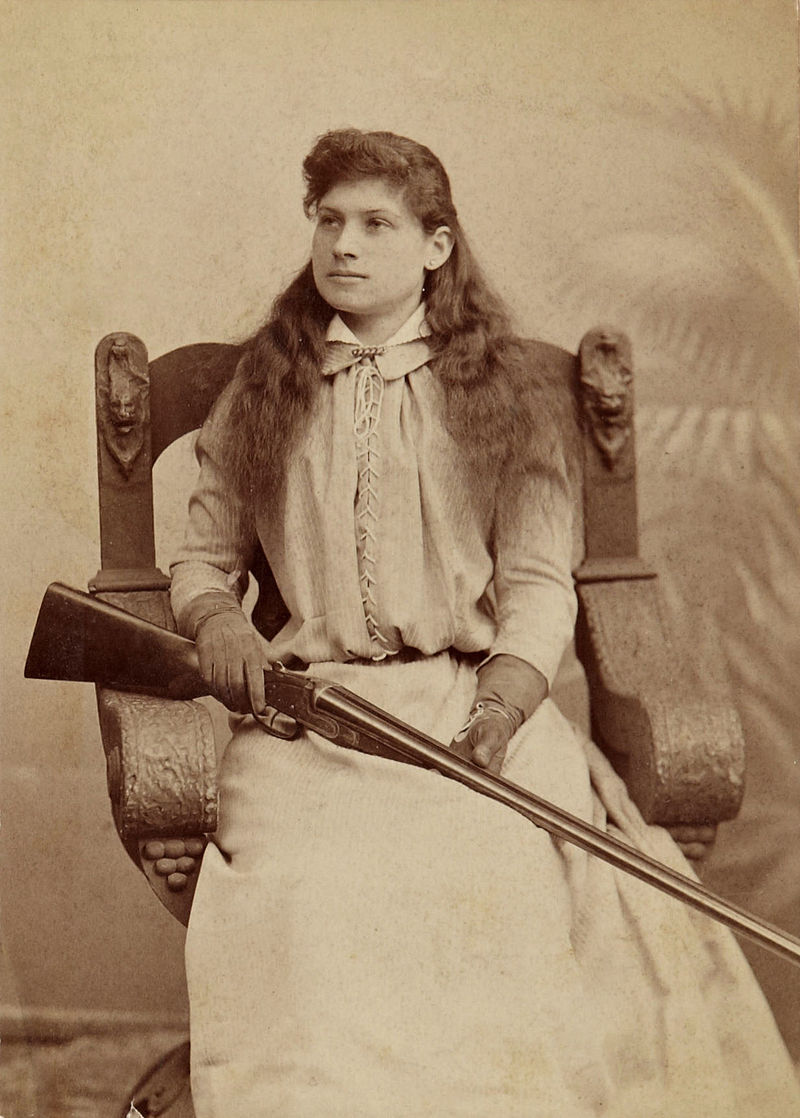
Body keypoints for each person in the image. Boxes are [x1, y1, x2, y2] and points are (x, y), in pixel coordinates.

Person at [169, 129, 800, 1117]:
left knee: (493, 878)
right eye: (328, 220)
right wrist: (217, 620)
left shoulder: (507, 394)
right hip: (313, 724)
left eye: (376, 223)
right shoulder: (263, 388)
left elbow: (540, 584)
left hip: (470, 706)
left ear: (436, 246)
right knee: (311, 895)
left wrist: (502, 707)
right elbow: (204, 557)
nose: (344, 243)